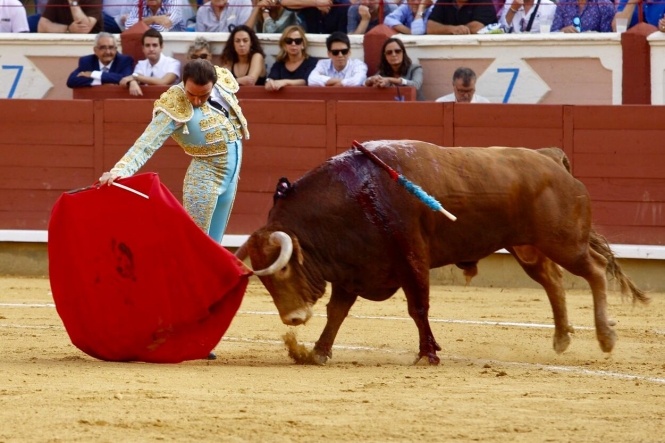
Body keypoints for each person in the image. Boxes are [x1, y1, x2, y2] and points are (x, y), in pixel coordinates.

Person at [99, 59, 249, 246]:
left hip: (231, 178)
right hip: (204, 180)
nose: (196, 101)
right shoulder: (174, 104)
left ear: (214, 83)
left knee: (215, 245)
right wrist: (118, 172)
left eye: (204, 95)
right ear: (183, 82)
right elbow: (146, 144)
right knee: (196, 245)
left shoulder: (223, 84)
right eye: (191, 94)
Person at [119, 28, 181, 97]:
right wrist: (132, 82)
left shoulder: (173, 63)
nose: (151, 49)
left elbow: (163, 82)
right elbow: (134, 78)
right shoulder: (141, 64)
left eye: (154, 45)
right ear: (143, 48)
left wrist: (134, 77)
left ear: (161, 47)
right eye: (147, 45)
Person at [66, 32, 134, 89]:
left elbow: (125, 78)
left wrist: (94, 74)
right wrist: (102, 82)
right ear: (95, 50)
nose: (108, 52)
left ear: (116, 49)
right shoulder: (87, 61)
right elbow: (71, 81)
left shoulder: (125, 60)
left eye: (111, 47)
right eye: (103, 48)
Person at [265, 25, 318, 90]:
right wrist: (269, 82)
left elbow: (307, 81)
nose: (293, 44)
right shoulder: (279, 64)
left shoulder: (312, 62)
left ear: (303, 44)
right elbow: (271, 78)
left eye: (298, 41)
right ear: (284, 45)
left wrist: (285, 82)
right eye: (288, 41)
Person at [426, 0, 497, 35]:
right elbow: (430, 27)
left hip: (480, 51)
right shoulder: (444, 1)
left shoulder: (484, 1)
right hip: (447, 51)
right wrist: (452, 29)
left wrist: (444, 29)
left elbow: (477, 28)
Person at [282, 0, 351, 34]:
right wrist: (315, 3)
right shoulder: (310, 2)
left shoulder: (343, 4)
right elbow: (284, 2)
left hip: (335, 50)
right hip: (310, 47)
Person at [37, 0, 103, 33]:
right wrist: (68, 29)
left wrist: (73, 2)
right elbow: (41, 27)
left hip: (89, 46)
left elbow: (83, 29)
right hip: (63, 45)